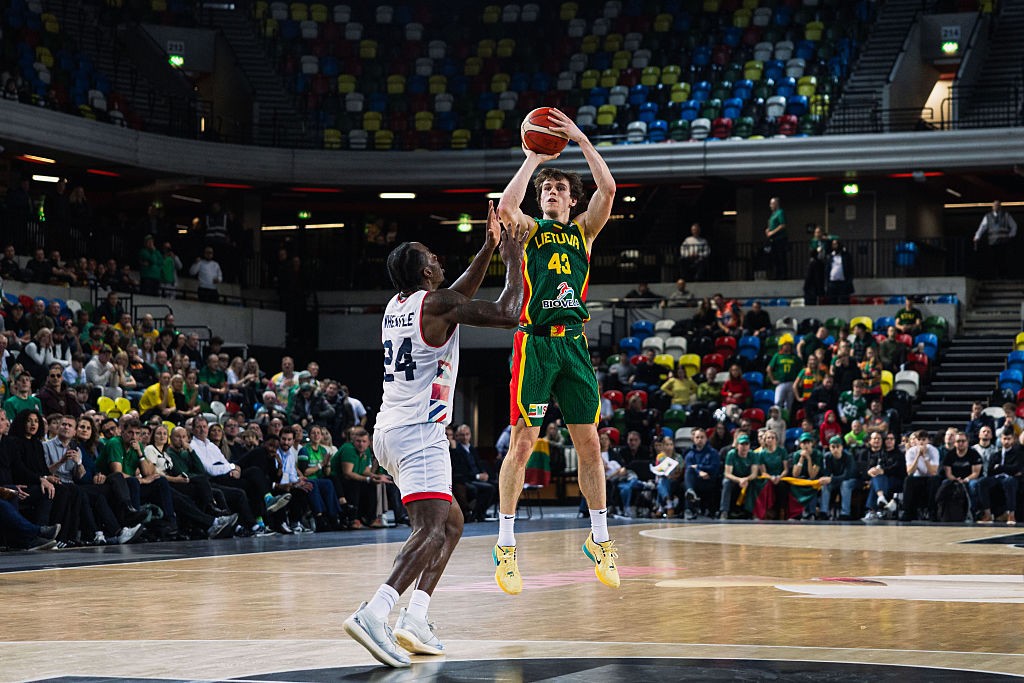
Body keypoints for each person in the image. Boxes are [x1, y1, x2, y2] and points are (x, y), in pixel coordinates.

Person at [342, 202, 525, 669]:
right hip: (419, 432)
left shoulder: (399, 305)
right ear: (426, 270)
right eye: (434, 256)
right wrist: (512, 258)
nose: (441, 260)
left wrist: (486, 247)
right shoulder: (438, 304)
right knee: (429, 528)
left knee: (453, 523)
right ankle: (376, 611)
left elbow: (458, 296)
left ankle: (416, 617)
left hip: (391, 431)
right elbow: (507, 312)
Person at [494, 106, 620, 594]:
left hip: (574, 348)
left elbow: (608, 190)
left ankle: (601, 538)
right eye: (547, 187)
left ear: (572, 200)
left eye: (559, 188)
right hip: (535, 345)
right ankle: (506, 547)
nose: (551, 191)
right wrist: (531, 158)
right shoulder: (528, 232)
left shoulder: (583, 232)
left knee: (590, 444)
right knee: (523, 444)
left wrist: (579, 138)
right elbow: (505, 208)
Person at [973, 200, 1018, 279]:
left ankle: (1003, 276)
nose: (996, 207)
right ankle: (994, 276)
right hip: (992, 242)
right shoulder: (988, 216)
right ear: (992, 207)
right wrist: (977, 236)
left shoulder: (1006, 215)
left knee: (1003, 259)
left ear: (1000, 207)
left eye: (998, 205)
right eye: (995, 205)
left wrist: (1011, 235)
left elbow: (1014, 226)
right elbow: (982, 227)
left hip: (1003, 242)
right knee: (993, 259)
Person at [823, 238, 854, 304]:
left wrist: (849, 281)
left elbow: (850, 269)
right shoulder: (830, 256)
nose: (834, 246)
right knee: (832, 301)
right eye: (833, 244)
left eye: (836, 244)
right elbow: (827, 269)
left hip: (843, 283)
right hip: (832, 283)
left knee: (843, 301)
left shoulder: (845, 256)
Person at [764, 197, 787, 279]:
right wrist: (768, 230)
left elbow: (782, 225)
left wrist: (772, 233)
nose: (770, 206)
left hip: (779, 239)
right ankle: (776, 274)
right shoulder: (772, 215)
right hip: (773, 240)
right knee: (775, 258)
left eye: (772, 204)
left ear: (776, 204)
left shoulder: (780, 212)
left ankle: (782, 275)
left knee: (781, 257)